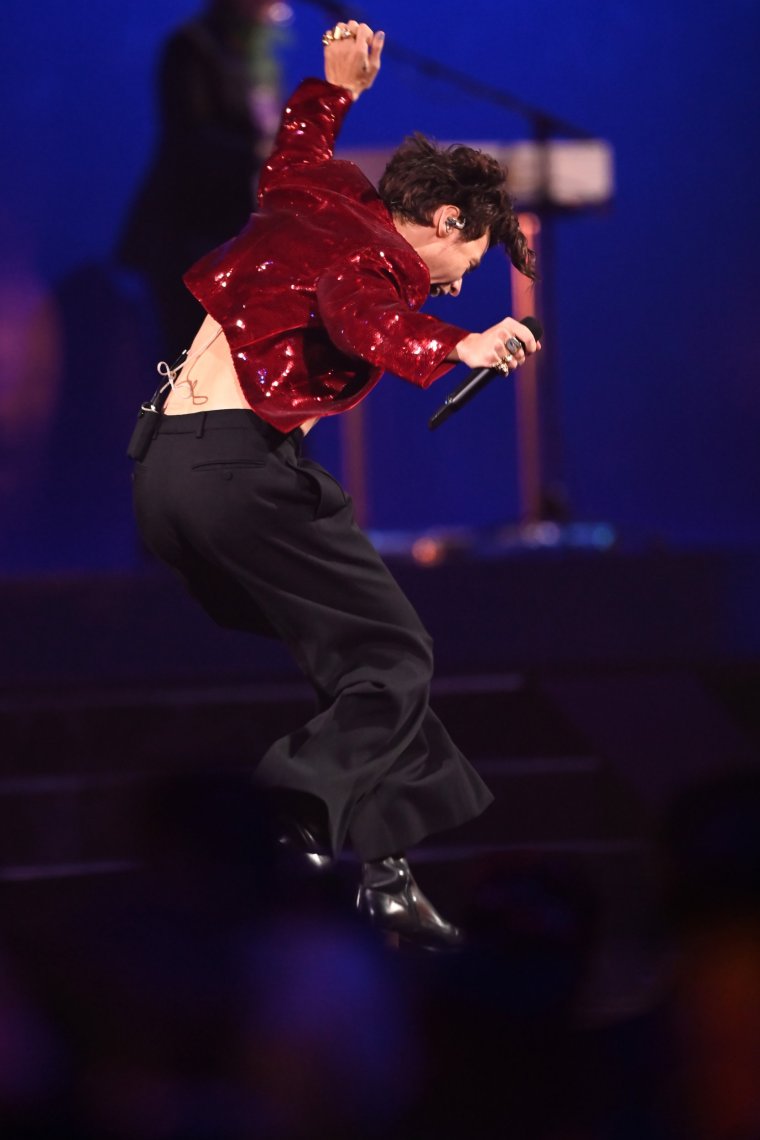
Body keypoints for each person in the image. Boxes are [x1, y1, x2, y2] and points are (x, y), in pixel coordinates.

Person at [132, 19, 540, 950]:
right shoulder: (377, 262)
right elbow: (355, 314)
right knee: (397, 659)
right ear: (447, 223)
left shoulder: (319, 194)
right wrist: (456, 344)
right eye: (466, 265)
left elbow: (293, 151)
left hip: (170, 476)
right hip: (236, 476)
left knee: (358, 660)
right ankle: (281, 825)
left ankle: (386, 876)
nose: (449, 286)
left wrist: (334, 89)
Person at [118, 0, 286, 352]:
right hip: (191, 233)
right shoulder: (190, 47)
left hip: (240, 228)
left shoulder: (258, 55)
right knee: (190, 357)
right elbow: (192, 136)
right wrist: (261, 153)